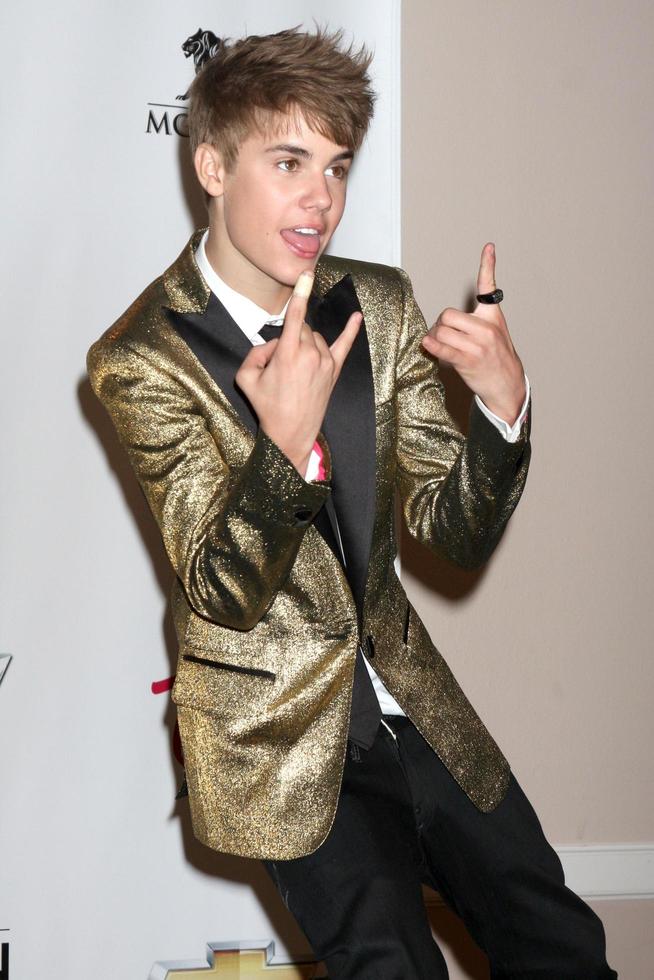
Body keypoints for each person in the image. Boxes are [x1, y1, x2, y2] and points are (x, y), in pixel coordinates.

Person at [87, 26, 616, 980]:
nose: (320, 199)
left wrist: (502, 411)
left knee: (562, 946)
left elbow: (453, 531)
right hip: (278, 735)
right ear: (212, 163)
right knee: (389, 968)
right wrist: (284, 451)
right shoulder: (140, 356)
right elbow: (221, 587)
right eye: (288, 162)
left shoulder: (378, 304)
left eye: (336, 168)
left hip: (414, 706)